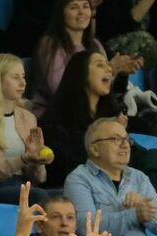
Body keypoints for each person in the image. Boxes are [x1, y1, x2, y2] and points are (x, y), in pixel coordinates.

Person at [31, 0, 140, 115]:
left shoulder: (94, 44)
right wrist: (110, 69)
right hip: (58, 117)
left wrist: (121, 73)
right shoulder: (50, 45)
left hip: (92, 114)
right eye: (74, 7)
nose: (81, 12)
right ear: (61, 13)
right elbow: (61, 92)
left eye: (85, 7)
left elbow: (106, 91)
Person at [0, 54, 53, 199]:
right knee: (40, 198)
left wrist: (37, 161)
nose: (23, 83)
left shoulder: (28, 118)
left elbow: (39, 179)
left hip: (22, 185)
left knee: (61, 199)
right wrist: (23, 159)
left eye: (23, 76)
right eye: (15, 77)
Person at [39, 49, 128, 189]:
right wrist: (107, 140)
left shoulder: (112, 116)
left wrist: (121, 138)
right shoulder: (56, 120)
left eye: (108, 65)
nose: (109, 69)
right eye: (100, 65)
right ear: (81, 74)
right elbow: (64, 168)